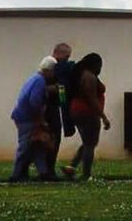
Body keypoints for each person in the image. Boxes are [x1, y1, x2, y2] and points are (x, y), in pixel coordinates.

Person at [8, 56, 59, 182]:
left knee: (37, 147)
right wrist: (41, 120)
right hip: (27, 118)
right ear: (49, 70)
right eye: (53, 71)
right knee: (25, 146)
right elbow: (35, 102)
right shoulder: (40, 81)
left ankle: (44, 172)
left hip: (23, 116)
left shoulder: (34, 78)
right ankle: (16, 174)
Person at [62, 52, 111, 180]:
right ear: (94, 65)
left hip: (78, 110)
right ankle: (86, 174)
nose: (100, 69)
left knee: (88, 142)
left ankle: (72, 167)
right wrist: (103, 116)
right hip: (87, 112)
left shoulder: (81, 75)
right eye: (100, 65)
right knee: (90, 143)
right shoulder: (89, 77)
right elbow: (92, 99)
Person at [44, 42, 75, 177]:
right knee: (53, 137)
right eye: (67, 57)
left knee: (52, 137)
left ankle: (47, 169)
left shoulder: (50, 66)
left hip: (52, 107)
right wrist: (60, 89)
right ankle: (47, 169)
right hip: (49, 108)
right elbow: (49, 89)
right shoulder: (52, 68)